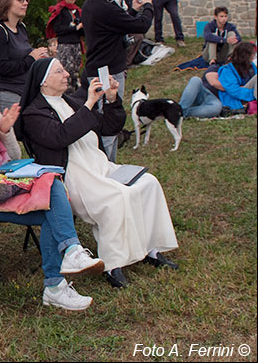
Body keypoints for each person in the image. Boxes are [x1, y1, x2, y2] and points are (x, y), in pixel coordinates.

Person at [0, 63, 105, 310]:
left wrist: (5, 131)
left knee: (52, 186)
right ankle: (59, 276)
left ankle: (64, 267)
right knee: (53, 203)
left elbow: (15, 158)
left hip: (7, 181)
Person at [17, 58, 179, 289]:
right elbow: (60, 137)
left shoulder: (71, 102)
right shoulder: (34, 114)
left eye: (64, 70)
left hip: (100, 166)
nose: (66, 74)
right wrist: (89, 104)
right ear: (43, 82)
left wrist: (111, 99)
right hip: (71, 175)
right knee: (116, 197)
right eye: (59, 71)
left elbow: (110, 127)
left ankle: (151, 249)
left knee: (148, 183)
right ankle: (113, 264)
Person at [82, 0, 153, 162]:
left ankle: (106, 165)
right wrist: (148, 6)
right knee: (109, 121)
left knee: (107, 119)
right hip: (107, 72)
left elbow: (116, 26)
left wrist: (131, 9)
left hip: (102, 68)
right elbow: (140, 26)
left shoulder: (93, 3)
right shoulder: (105, 6)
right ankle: (107, 167)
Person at [0, 0, 48, 111]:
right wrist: (31, 59)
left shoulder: (21, 28)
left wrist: (39, 57)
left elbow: (23, 56)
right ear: (6, 1)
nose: (25, 3)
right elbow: (1, 68)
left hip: (22, 92)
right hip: (4, 94)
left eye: (26, 0)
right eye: (20, 0)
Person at [46, 0, 84, 93]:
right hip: (65, 45)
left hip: (76, 45)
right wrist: (75, 28)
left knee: (75, 72)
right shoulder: (60, 10)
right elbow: (58, 29)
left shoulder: (78, 11)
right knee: (66, 72)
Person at [217, 41, 257, 115]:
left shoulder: (252, 66)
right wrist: (253, 93)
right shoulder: (227, 70)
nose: (254, 56)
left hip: (247, 92)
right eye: (253, 54)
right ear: (245, 55)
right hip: (237, 97)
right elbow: (234, 91)